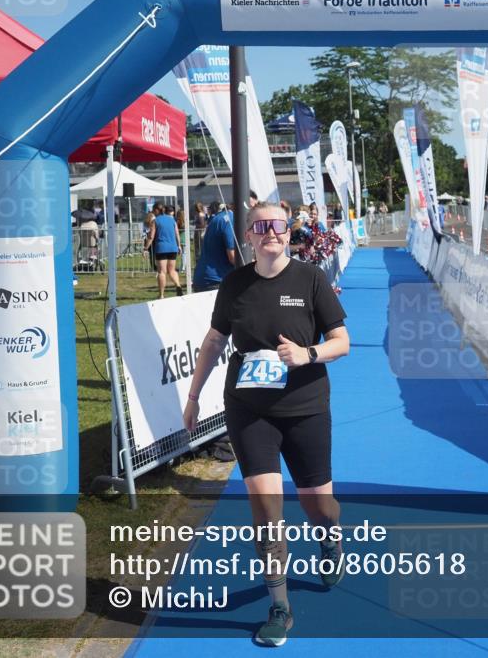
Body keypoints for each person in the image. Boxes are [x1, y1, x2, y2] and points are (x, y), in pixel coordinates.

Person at [182, 202, 350, 647]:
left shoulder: (310, 278)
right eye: (261, 226)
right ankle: (280, 606)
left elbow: (342, 341)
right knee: (266, 510)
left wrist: (307, 354)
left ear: (287, 231)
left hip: (305, 404)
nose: (270, 232)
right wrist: (194, 395)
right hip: (248, 408)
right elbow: (216, 340)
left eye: (278, 224)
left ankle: (329, 538)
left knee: (318, 505)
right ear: (249, 235)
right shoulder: (235, 284)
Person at [192, 202, 237, 293]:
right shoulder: (229, 219)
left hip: (207, 277)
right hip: (215, 281)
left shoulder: (219, 217)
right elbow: (233, 257)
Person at [145, 202, 183, 298]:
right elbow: (177, 234)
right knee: (172, 271)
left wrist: (145, 248)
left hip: (161, 248)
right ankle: (178, 286)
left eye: (154, 210)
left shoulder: (156, 221)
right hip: (173, 247)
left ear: (157, 210)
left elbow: (151, 236)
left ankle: (161, 294)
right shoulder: (172, 220)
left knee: (162, 272)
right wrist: (179, 246)